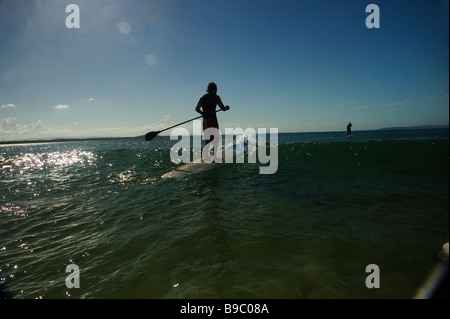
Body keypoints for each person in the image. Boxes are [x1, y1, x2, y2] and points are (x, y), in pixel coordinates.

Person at [195, 82, 230, 147]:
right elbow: (222, 108)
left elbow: (197, 109)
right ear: (213, 89)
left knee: (207, 139)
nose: (216, 91)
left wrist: (202, 113)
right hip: (212, 120)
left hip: (205, 121)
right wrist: (227, 108)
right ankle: (214, 156)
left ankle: (206, 156)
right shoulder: (216, 97)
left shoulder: (202, 98)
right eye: (216, 89)